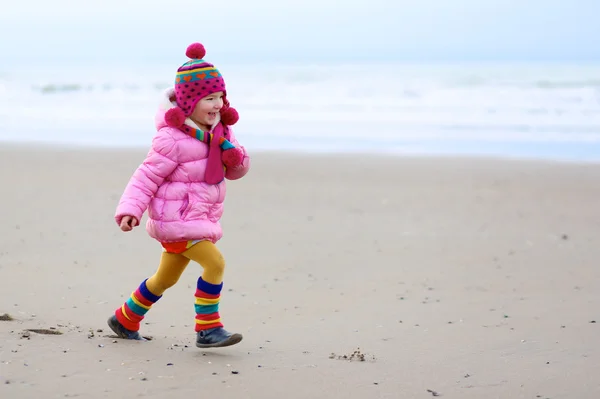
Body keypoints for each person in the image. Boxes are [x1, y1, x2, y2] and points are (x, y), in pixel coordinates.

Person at [107, 42, 251, 348]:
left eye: (219, 97)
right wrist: (131, 208)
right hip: (178, 220)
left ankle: (125, 318)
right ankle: (208, 329)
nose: (216, 105)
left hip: (198, 218)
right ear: (189, 103)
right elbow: (146, 175)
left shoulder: (222, 134)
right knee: (215, 264)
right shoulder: (171, 138)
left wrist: (234, 157)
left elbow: (237, 171)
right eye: (208, 98)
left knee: (165, 279)